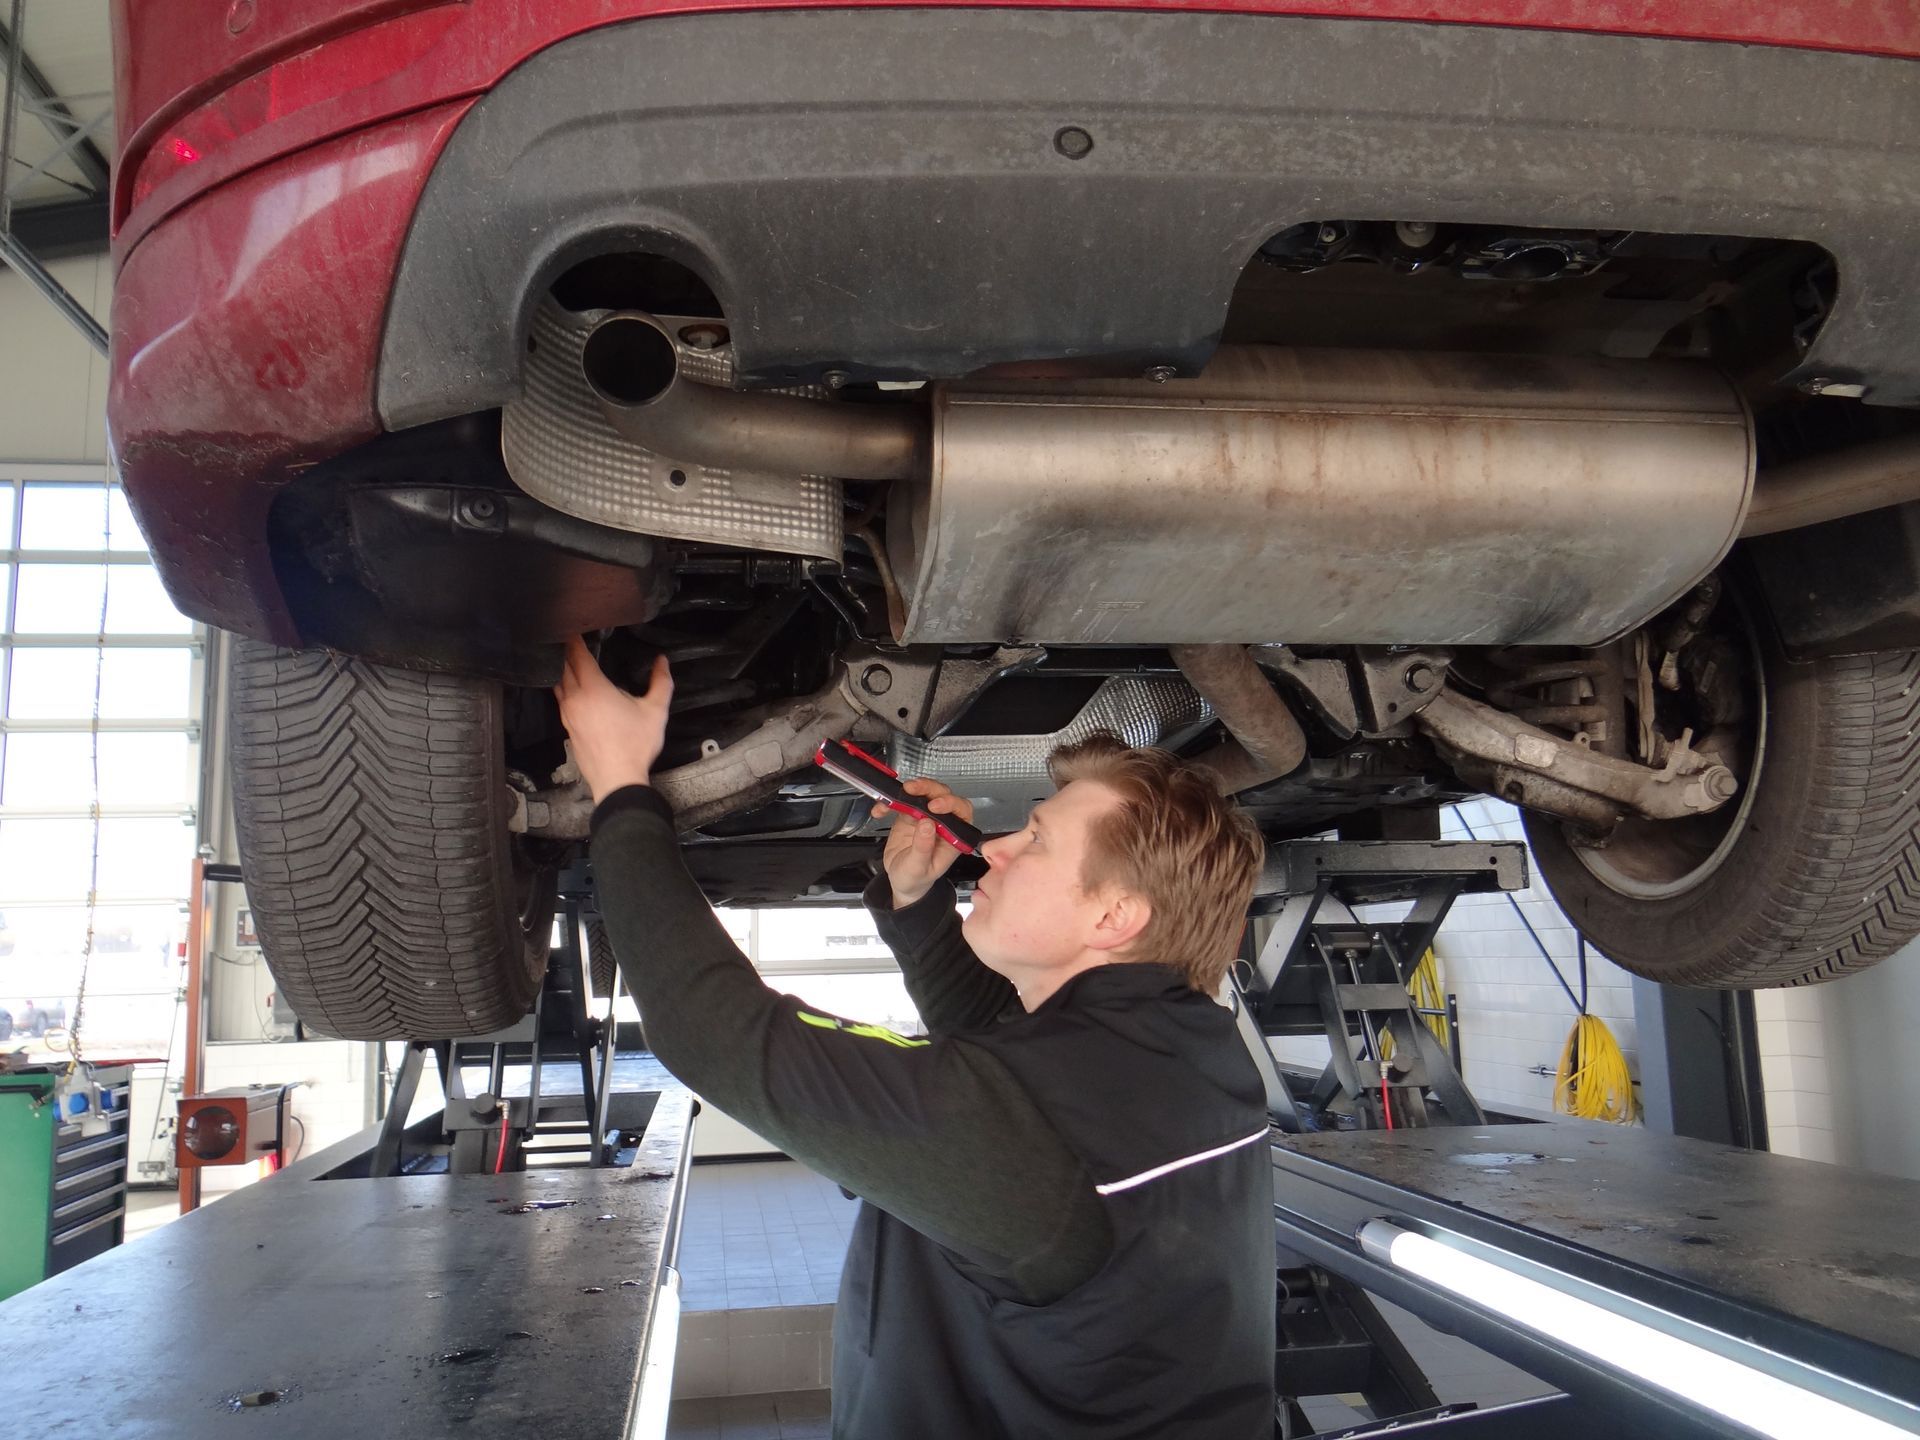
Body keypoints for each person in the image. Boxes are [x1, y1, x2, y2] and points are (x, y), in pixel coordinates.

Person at [557, 638, 1277, 1438]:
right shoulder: (1189, 1054)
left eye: (1036, 837)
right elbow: (1008, 1057)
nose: (997, 847)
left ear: (1114, 917)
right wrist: (917, 899)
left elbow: (715, 1032)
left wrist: (621, 789)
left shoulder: (1043, 1133)